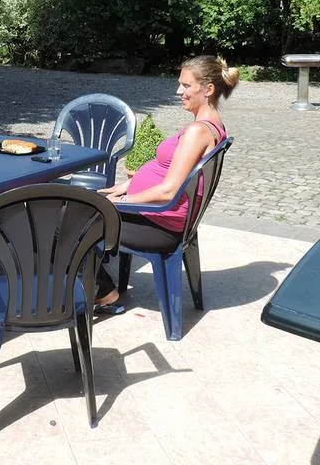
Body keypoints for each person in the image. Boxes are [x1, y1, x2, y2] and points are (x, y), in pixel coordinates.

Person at [94, 55, 239, 314]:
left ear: (208, 89)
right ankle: (93, 285)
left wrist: (118, 202)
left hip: (159, 225)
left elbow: (168, 190)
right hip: (162, 218)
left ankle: (102, 293)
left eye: (185, 86)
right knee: (76, 207)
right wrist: (129, 186)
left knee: (66, 219)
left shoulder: (198, 131)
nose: (178, 91)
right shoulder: (212, 126)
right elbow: (171, 172)